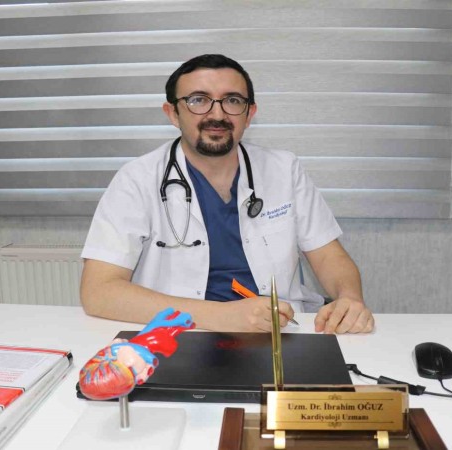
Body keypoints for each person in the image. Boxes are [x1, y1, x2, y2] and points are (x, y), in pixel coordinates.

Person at [80, 54, 374, 334]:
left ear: (249, 114)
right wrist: (221, 316)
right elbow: (99, 292)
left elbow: (328, 256)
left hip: (279, 331)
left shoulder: (284, 169)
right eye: (198, 100)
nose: (217, 114)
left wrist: (349, 298)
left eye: (232, 100)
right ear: (173, 113)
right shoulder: (137, 180)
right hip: (178, 335)